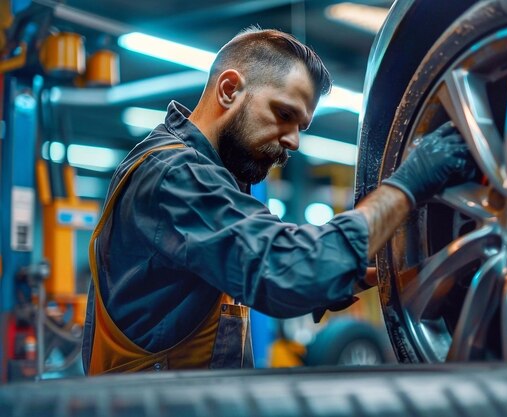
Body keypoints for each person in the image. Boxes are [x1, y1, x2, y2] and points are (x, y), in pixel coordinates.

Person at [82, 26, 475, 374]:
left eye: (301, 126)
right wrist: (407, 184)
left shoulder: (208, 177)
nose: (294, 141)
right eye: (284, 114)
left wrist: (338, 275)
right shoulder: (174, 174)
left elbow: (258, 267)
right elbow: (288, 272)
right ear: (229, 89)